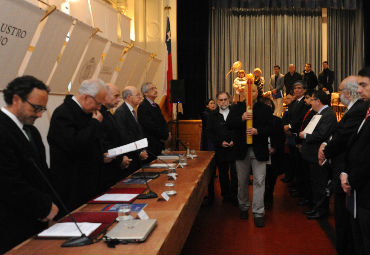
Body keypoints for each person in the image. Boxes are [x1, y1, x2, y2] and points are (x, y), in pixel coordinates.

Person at [0, 76, 59, 253]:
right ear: (17, 99)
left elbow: (42, 173)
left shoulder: (31, 130)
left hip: (37, 219)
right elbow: (7, 182)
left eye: (43, 109)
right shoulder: (2, 130)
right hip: (11, 223)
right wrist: (44, 206)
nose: (40, 115)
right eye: (36, 108)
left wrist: (53, 205)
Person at [318, 76, 368, 255]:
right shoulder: (354, 109)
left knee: (347, 224)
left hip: (349, 173)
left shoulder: (359, 109)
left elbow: (343, 137)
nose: (338, 95)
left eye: (339, 91)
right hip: (345, 170)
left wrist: (325, 149)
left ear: (347, 92)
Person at [48, 79, 107, 211]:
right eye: (98, 103)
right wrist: (94, 124)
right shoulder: (63, 114)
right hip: (73, 185)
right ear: (86, 97)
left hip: (90, 182)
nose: (98, 108)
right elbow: (75, 145)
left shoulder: (88, 113)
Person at [228, 83, 273, 227]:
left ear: (257, 93)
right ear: (243, 93)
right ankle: (243, 206)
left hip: (259, 149)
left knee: (260, 181)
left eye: (253, 90)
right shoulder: (236, 108)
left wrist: (257, 131)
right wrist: (241, 118)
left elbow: (271, 128)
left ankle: (258, 212)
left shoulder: (265, 108)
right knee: (242, 181)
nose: (250, 93)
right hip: (241, 150)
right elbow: (229, 124)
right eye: (248, 90)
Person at [340, 66, 370, 255]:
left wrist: (351, 179)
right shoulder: (366, 111)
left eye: (363, 85)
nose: (358, 91)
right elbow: (354, 146)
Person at [299, 90, 337, 219]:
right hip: (311, 154)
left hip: (318, 155)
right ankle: (316, 207)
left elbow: (322, 134)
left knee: (320, 183)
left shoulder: (328, 114)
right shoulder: (320, 113)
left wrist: (305, 136)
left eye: (312, 100)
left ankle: (321, 210)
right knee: (315, 182)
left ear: (318, 101)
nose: (310, 103)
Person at [207, 92, 237, 204]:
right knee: (223, 174)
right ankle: (226, 195)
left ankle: (235, 196)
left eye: (225, 99)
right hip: (221, 149)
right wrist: (220, 142)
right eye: (220, 100)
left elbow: (240, 129)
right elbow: (210, 133)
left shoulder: (235, 113)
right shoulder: (212, 115)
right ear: (217, 101)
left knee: (235, 174)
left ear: (229, 100)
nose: (223, 102)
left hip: (234, 149)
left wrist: (235, 140)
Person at [100, 83, 132, 190]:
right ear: (104, 95)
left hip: (117, 165)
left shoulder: (108, 113)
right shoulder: (99, 115)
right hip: (107, 169)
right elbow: (104, 142)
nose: (119, 100)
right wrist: (120, 159)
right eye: (116, 96)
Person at [114, 86, 148, 172]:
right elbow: (124, 137)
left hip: (136, 156)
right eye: (137, 95)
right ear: (129, 97)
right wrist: (139, 152)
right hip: (129, 157)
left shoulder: (132, 110)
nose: (141, 97)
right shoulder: (121, 112)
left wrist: (142, 149)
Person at [282, 81, 309, 189]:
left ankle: (300, 187)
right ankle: (294, 182)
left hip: (299, 136)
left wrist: (290, 126)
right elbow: (287, 116)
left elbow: (301, 118)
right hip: (291, 135)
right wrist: (285, 126)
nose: (296, 90)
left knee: (300, 163)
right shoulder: (293, 103)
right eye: (295, 88)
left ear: (304, 90)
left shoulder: (305, 103)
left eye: (299, 88)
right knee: (293, 160)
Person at [260, 97, 285, 209]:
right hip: (260, 154)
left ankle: (269, 197)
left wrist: (274, 148)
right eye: (264, 105)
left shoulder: (278, 121)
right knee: (260, 179)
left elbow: (281, 137)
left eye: (269, 105)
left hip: (274, 154)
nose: (267, 107)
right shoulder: (256, 120)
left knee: (271, 178)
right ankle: (261, 199)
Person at [138, 82, 170, 161]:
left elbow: (163, 122)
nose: (155, 90)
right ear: (145, 93)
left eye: (155, 88)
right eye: (152, 89)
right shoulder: (143, 107)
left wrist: (167, 134)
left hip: (159, 143)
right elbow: (150, 126)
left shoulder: (156, 106)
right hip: (151, 145)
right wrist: (164, 136)